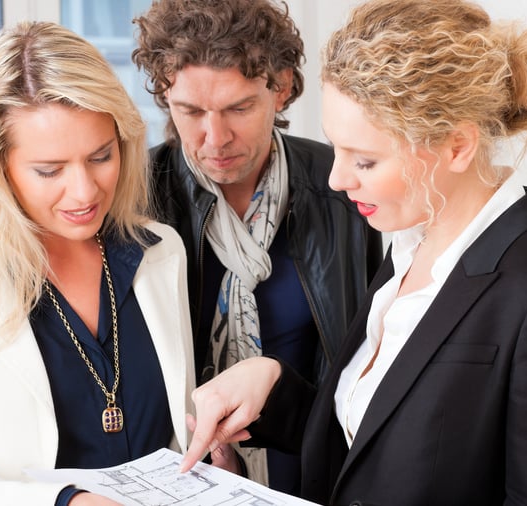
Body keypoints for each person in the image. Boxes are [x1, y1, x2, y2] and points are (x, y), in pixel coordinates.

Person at [180, 0, 527, 504]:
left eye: (365, 161)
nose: (336, 179)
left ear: (457, 146)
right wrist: (271, 384)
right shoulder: (405, 252)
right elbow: (377, 444)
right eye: (337, 149)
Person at [0, 21, 195, 506]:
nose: (84, 192)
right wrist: (68, 503)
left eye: (101, 157)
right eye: (49, 170)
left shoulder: (160, 252)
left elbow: (178, 442)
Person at [131, 0, 382, 493]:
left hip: (319, 475)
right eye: (190, 111)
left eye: (239, 108)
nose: (214, 138)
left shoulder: (344, 185)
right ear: (164, 94)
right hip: (181, 479)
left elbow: (366, 368)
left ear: (281, 87)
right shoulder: (137, 198)